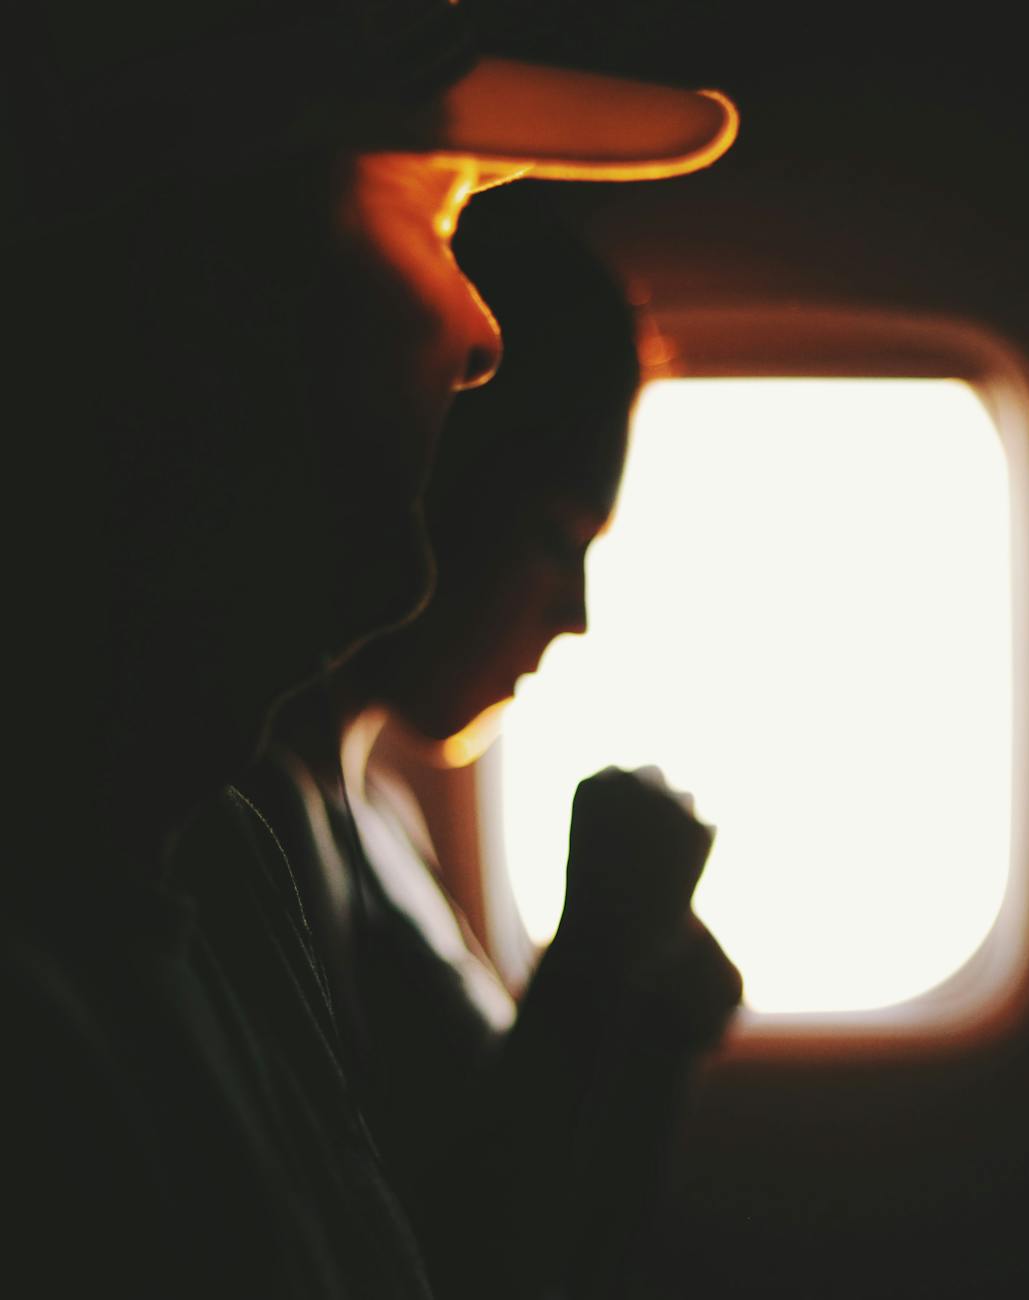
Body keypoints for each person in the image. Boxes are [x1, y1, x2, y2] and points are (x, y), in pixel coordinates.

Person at [2, 2, 739, 1294]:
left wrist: (647, 1032)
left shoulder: (220, 862)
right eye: (421, 222)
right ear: (201, 295)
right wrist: (594, 978)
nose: (477, 336)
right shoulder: (98, 964)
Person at [243, 189, 743, 1300]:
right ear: (448, 489)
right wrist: (594, 963)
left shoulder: (377, 813)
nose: (575, 615)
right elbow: (438, 1263)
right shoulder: (261, 828)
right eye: (555, 537)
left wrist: (649, 1031)